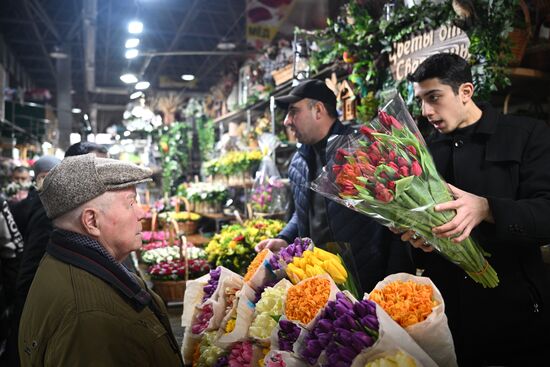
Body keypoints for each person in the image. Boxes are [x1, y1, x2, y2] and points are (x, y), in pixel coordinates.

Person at [402, 53, 550, 365]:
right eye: (421, 100)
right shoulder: (425, 152)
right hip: (447, 322)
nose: (426, 111)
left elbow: (546, 214)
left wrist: (487, 208)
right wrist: (419, 240)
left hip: (517, 319)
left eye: (435, 97)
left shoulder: (528, 134)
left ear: (465, 91)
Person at [18, 154, 183, 366]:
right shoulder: (89, 320)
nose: (141, 213)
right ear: (92, 221)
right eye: (130, 203)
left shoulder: (67, 264)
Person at [256, 79, 414, 292]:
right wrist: (284, 238)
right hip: (320, 281)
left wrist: (395, 280)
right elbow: (302, 211)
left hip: (369, 280)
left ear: (318, 110)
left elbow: (395, 218)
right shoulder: (298, 162)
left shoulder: (361, 150)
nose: (286, 121)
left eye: (293, 111)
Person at [1, 143, 110, 366]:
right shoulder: (53, 211)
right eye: (98, 168)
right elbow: (29, 276)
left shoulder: (80, 207)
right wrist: (26, 341)